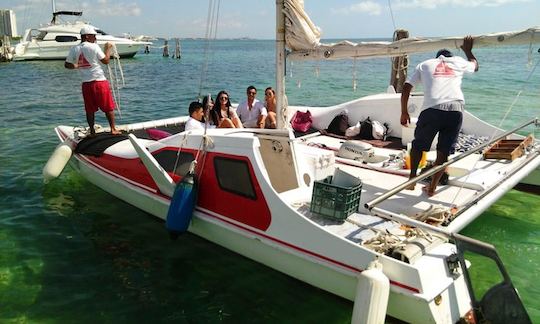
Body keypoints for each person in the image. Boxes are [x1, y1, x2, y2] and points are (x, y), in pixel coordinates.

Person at [401, 36, 478, 196]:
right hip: (456, 109)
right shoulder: (457, 61)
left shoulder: (425, 64)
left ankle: (412, 179)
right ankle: (432, 187)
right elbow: (475, 66)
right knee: (443, 152)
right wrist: (468, 51)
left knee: (418, 146)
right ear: (450, 57)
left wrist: (404, 111)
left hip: (432, 109)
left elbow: (407, 87)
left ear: (437, 58)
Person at [65, 26, 120, 136]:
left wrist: (76, 65)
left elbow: (67, 64)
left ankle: (92, 131)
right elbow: (105, 61)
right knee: (108, 107)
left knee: (89, 109)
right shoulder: (94, 47)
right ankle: (113, 129)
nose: (95, 38)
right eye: (93, 36)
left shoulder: (74, 49)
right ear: (87, 36)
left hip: (86, 84)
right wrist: (108, 49)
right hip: (99, 82)